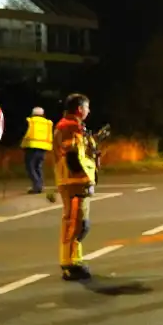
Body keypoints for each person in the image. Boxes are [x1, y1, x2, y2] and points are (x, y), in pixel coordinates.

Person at [53, 94, 97, 281]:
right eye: (87, 107)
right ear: (79, 108)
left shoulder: (67, 126)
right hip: (75, 182)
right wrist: (85, 174)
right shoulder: (70, 127)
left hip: (71, 181)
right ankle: (70, 264)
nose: (88, 111)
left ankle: (72, 260)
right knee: (78, 224)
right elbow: (72, 155)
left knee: (74, 223)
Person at [21, 107, 53, 194]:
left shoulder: (30, 121)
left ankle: (37, 186)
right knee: (38, 167)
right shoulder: (48, 123)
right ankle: (39, 186)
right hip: (43, 148)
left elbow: (24, 132)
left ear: (33, 113)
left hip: (32, 147)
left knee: (30, 167)